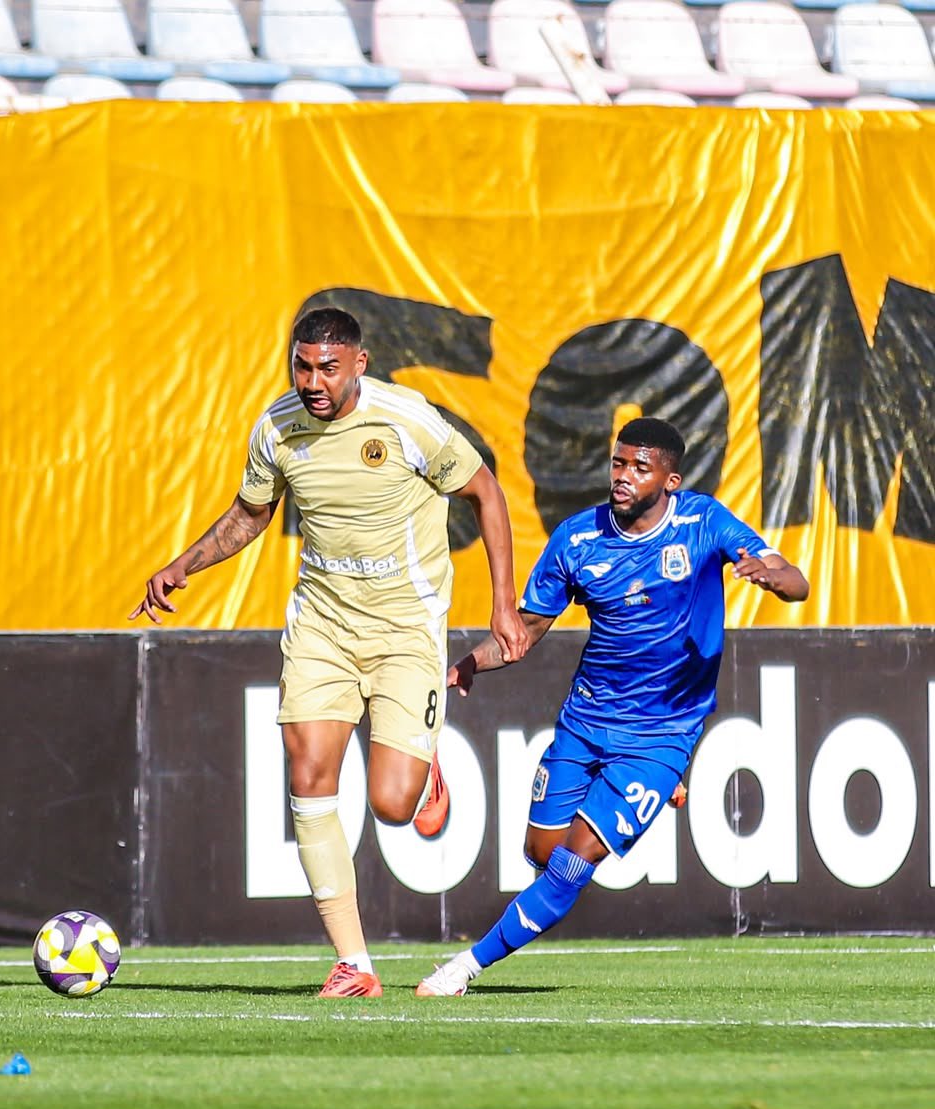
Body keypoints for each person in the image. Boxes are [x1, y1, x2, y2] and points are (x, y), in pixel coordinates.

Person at [130, 306, 528, 998]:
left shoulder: (406, 421)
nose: (313, 382)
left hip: (406, 629)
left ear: (359, 365)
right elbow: (251, 514)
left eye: (328, 368)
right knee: (308, 770)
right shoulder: (277, 427)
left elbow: (485, 493)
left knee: (393, 805)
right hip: (323, 628)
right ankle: (355, 964)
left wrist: (502, 605)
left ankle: (423, 763)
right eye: (302, 367)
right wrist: (182, 565)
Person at [416, 416, 809, 997]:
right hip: (585, 723)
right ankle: (650, 791)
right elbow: (526, 629)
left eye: (639, 468)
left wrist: (776, 579)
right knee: (543, 853)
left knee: (574, 863)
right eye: (618, 463)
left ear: (670, 481)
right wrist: (471, 663)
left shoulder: (703, 522)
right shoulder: (577, 538)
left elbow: (795, 580)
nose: (623, 476)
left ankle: (462, 970)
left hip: (661, 734)